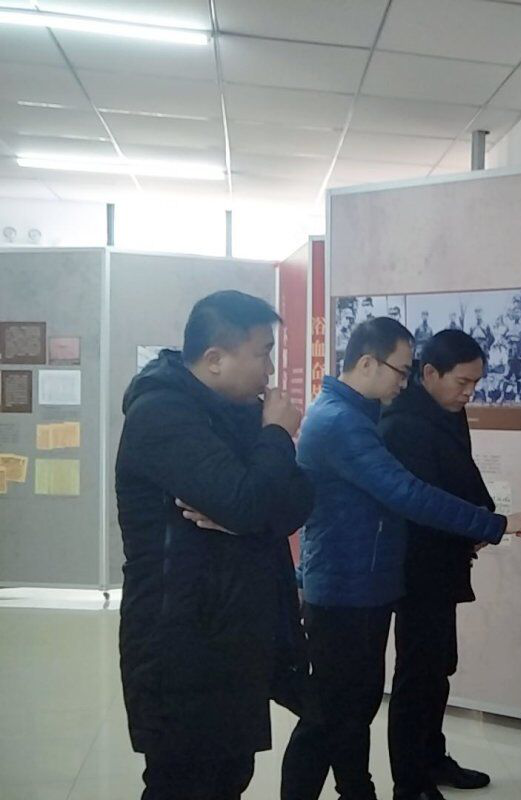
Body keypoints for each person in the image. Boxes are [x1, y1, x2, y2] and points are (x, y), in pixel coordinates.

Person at [280, 318, 521, 800]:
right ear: (367, 363)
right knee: (329, 714)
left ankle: (357, 790)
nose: (405, 382)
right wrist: (495, 524)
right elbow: (408, 493)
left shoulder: (357, 414)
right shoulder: (342, 423)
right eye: (401, 371)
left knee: (352, 707)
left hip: (364, 583)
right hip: (343, 587)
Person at [115, 290, 313, 800]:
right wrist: (276, 437)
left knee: (228, 777)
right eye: (263, 353)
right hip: (181, 639)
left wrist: (248, 515)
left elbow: (296, 502)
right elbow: (248, 502)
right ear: (215, 358)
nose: (271, 369)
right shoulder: (162, 414)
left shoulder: (238, 411)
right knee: (183, 782)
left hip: (234, 634)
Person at [380, 330, 521, 799]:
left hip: (446, 558)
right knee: (417, 674)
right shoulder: (402, 423)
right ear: (429, 373)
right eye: (462, 382)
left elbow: (462, 473)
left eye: (476, 383)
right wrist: (486, 525)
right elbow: (424, 502)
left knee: (439, 667)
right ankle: (410, 782)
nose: (469, 393)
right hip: (417, 566)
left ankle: (433, 758)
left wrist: (483, 520)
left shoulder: (447, 409)